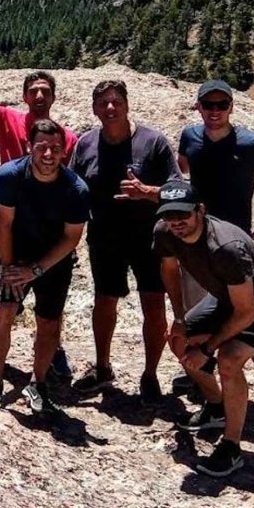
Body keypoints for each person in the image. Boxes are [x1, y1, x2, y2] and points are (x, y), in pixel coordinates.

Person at [155, 178, 254, 477]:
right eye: (169, 216)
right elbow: (169, 270)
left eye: (183, 215)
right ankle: (216, 406)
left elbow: (246, 313)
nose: (176, 223)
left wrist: (208, 349)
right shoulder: (166, 232)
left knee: (229, 359)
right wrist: (180, 318)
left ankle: (231, 448)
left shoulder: (226, 247)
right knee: (179, 340)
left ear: (200, 211)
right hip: (227, 296)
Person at [177, 80, 254, 420]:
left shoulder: (251, 143)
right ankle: (203, 371)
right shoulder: (190, 137)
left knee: (253, 313)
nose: (215, 111)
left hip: (237, 245)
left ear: (231, 107)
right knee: (198, 311)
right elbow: (181, 171)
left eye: (221, 105)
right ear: (198, 107)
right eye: (208, 105)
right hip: (198, 241)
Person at [0, 43, 79, 377]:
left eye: (45, 91)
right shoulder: (10, 119)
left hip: (50, 229)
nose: (39, 96)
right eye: (33, 91)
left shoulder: (66, 137)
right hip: (11, 224)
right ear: (25, 97)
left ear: (53, 98)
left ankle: (53, 349)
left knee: (52, 297)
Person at [69, 81, 180, 401]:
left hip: (150, 239)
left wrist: (147, 192)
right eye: (103, 103)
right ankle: (102, 367)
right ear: (94, 109)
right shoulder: (86, 144)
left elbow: (177, 191)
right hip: (104, 238)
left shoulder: (154, 142)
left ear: (127, 104)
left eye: (116, 101)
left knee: (154, 304)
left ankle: (150, 374)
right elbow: (73, 190)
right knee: (104, 302)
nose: (110, 108)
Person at [0, 120, 90, 418]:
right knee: (3, 310)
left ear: (64, 150)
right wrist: (10, 266)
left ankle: (38, 382)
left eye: (55, 148)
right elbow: (3, 224)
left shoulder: (76, 189)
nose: (49, 155)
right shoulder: (11, 175)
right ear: (30, 147)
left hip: (53, 258)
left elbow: (71, 238)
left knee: (49, 321)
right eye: (41, 147)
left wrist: (36, 270)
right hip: (12, 249)